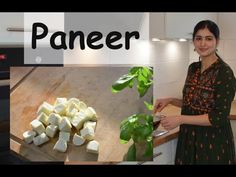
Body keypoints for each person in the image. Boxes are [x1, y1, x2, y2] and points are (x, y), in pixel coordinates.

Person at [154, 20, 236, 164]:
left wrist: (181, 119)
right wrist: (171, 100)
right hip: (188, 140)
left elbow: (218, 117)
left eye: (208, 38)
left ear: (217, 41)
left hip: (212, 144)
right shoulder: (193, 68)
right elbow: (192, 104)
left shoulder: (224, 73)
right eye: (198, 38)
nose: (203, 43)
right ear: (193, 42)